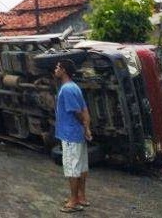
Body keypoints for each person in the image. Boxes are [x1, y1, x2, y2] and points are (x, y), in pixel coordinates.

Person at [54, 59, 92, 213]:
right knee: (82, 166)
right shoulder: (75, 87)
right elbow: (85, 110)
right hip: (78, 134)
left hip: (70, 134)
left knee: (72, 168)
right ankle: (81, 197)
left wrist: (83, 125)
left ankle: (74, 201)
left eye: (57, 67)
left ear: (63, 70)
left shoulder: (67, 89)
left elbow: (77, 112)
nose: (55, 70)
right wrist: (87, 128)